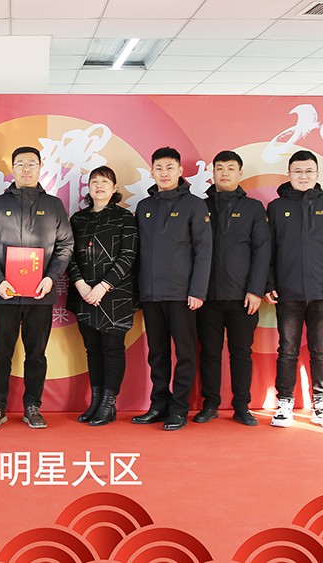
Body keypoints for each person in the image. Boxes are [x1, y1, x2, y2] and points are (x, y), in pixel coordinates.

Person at [0, 146, 73, 429]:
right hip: (4, 293)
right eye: (20, 164)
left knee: (36, 354)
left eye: (32, 163)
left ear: (40, 167)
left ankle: (33, 406)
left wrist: (51, 278)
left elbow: (66, 245)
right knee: (0, 353)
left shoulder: (54, 205)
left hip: (40, 293)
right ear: (13, 168)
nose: (26, 169)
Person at [265, 150, 323, 429]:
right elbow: (268, 250)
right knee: (287, 349)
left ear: (317, 174)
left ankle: (322, 406)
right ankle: (285, 404)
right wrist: (269, 283)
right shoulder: (276, 207)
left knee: (321, 350)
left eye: (308, 171)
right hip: (287, 292)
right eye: (298, 171)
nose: (303, 176)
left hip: (322, 292)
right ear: (289, 174)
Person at [132, 147, 212, 431]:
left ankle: (179, 408)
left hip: (182, 294)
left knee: (185, 353)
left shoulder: (195, 205)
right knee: (157, 353)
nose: (164, 173)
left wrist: (198, 291)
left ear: (180, 171)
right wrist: (138, 292)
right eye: (159, 168)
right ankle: (159, 405)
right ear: (151, 172)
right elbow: (138, 253)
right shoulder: (144, 207)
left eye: (169, 168)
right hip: (151, 293)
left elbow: (204, 251)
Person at [195, 150, 270, 427]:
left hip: (243, 297)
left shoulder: (253, 208)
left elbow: (263, 251)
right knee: (209, 353)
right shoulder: (199, 207)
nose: (224, 173)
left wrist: (256, 290)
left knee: (241, 353)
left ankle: (242, 406)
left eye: (230, 168)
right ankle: (210, 404)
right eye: (219, 168)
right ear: (212, 173)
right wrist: (196, 290)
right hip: (207, 296)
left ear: (240, 173)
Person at [66, 165, 138, 426]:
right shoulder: (77, 219)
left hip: (115, 295)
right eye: (94, 181)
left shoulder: (125, 217)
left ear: (114, 188)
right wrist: (81, 285)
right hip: (84, 294)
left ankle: (109, 404)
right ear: (88, 187)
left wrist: (103, 286)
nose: (99, 186)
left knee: (112, 348)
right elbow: (69, 254)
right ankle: (96, 401)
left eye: (105, 182)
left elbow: (128, 255)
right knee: (92, 349)